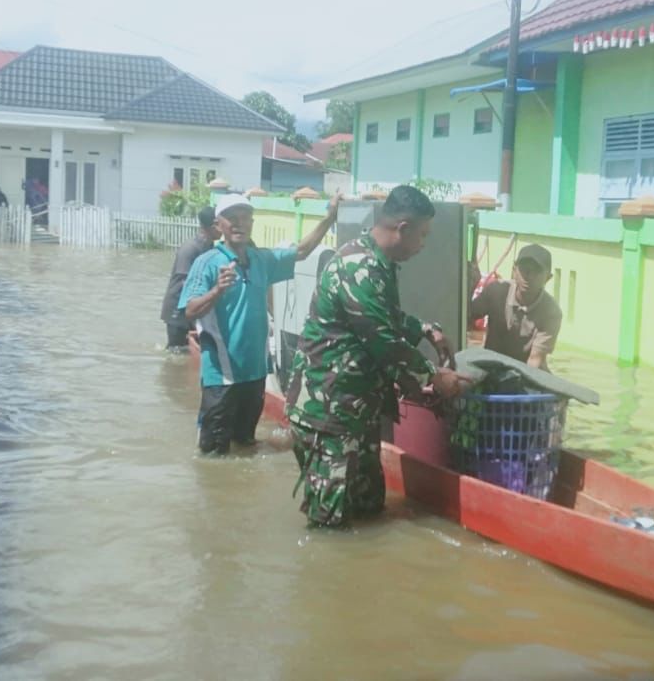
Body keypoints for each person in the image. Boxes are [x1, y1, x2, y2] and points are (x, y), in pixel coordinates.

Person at [286, 184, 470, 528]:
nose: (423, 245)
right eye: (423, 235)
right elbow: (382, 340)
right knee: (330, 524)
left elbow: (385, 316)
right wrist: (434, 377)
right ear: (402, 229)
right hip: (328, 412)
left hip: (357, 410)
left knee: (371, 509)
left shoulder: (377, 263)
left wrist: (425, 329)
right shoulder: (360, 267)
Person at [178, 192, 338, 456]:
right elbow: (189, 310)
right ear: (219, 225)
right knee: (212, 454)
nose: (239, 223)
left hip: (255, 373)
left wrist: (329, 216)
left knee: (245, 445)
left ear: (252, 223)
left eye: (245, 218)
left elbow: (301, 250)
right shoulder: (207, 262)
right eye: (232, 219)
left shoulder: (261, 259)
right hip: (222, 376)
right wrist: (217, 290)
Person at [468, 243, 562, 370]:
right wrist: (469, 287)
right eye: (524, 268)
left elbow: (536, 359)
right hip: (490, 365)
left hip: (527, 371)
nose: (528, 275)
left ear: (548, 278)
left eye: (537, 271)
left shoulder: (551, 312)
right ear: (514, 270)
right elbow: (464, 318)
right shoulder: (496, 291)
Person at [161, 206, 219, 353]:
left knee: (190, 352)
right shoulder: (191, 249)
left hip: (193, 309)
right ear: (214, 226)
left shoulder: (209, 247)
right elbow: (183, 282)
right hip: (178, 311)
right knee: (176, 353)